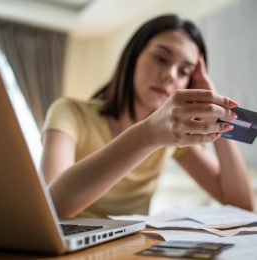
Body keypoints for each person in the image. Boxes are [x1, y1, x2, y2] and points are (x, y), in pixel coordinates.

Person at [41, 15, 254, 219]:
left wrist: (219, 115)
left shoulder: (172, 138)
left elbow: (242, 206)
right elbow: (50, 208)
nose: (170, 74)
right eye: (161, 59)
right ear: (133, 58)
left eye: (184, 71)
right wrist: (147, 135)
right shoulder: (69, 112)